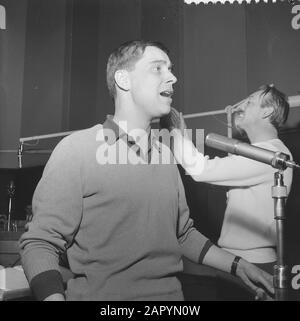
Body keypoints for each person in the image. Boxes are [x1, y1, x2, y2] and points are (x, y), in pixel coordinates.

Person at [20, 40, 273, 301]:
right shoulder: (76, 149)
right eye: (157, 69)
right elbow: (40, 244)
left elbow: (183, 235)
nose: (173, 77)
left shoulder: (165, 154)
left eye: (171, 69)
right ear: (123, 79)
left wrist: (239, 266)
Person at [160, 85, 293, 274]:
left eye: (250, 102)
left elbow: (200, 170)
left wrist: (176, 131)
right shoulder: (259, 152)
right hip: (236, 260)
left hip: (253, 264)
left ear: (268, 111)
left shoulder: (271, 155)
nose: (242, 106)